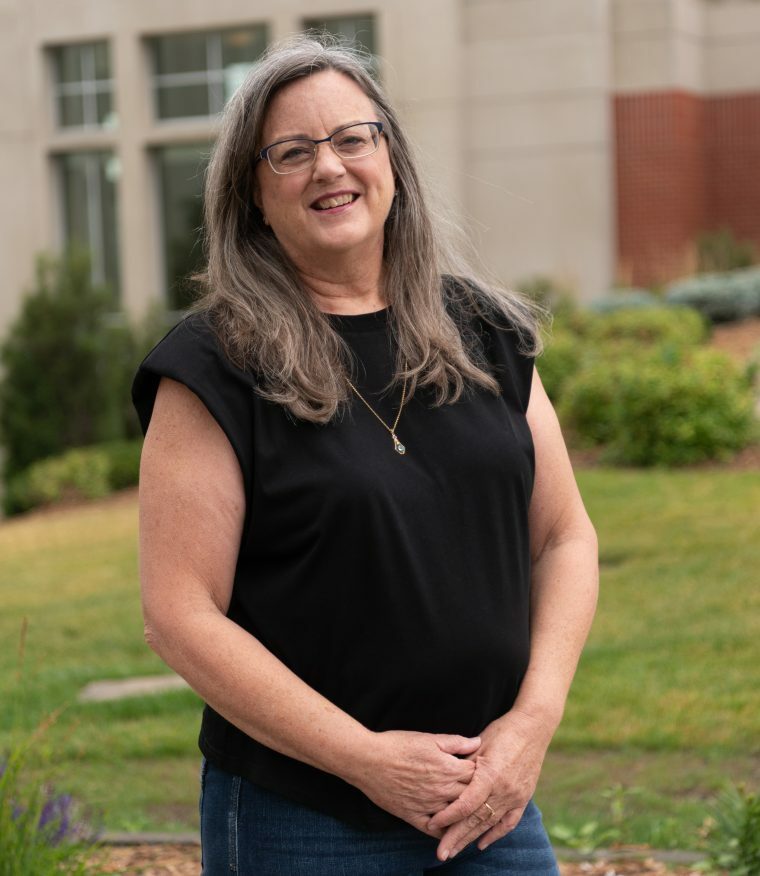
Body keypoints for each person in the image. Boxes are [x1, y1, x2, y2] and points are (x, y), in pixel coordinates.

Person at [132, 34, 598, 876]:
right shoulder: (212, 367)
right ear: (253, 196)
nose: (330, 167)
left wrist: (532, 725)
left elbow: (564, 537)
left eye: (353, 138)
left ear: (392, 160)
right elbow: (180, 615)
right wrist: (367, 760)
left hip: (487, 801)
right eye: (293, 152)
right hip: (306, 817)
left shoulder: (485, 333)